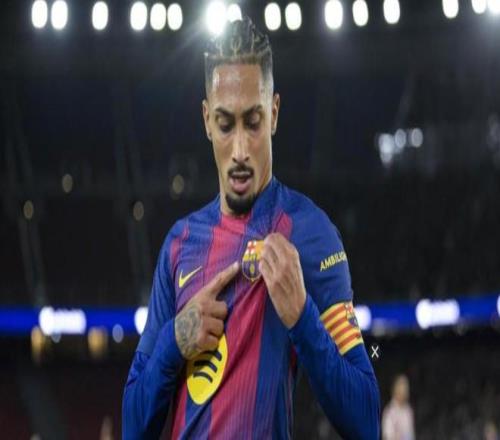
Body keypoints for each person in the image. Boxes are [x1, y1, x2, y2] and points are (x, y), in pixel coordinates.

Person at [122, 16, 380, 439]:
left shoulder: (311, 233)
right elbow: (133, 427)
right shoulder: (179, 244)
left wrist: (302, 317)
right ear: (207, 120)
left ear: (274, 113)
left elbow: (366, 419)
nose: (240, 149)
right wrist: (176, 340)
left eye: (253, 121)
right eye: (225, 124)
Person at [381, 375, 415, 440]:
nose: (405, 391)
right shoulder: (389, 412)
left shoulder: (408, 410)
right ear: (396, 389)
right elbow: (387, 437)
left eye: (406, 388)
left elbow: (411, 434)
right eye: (403, 388)